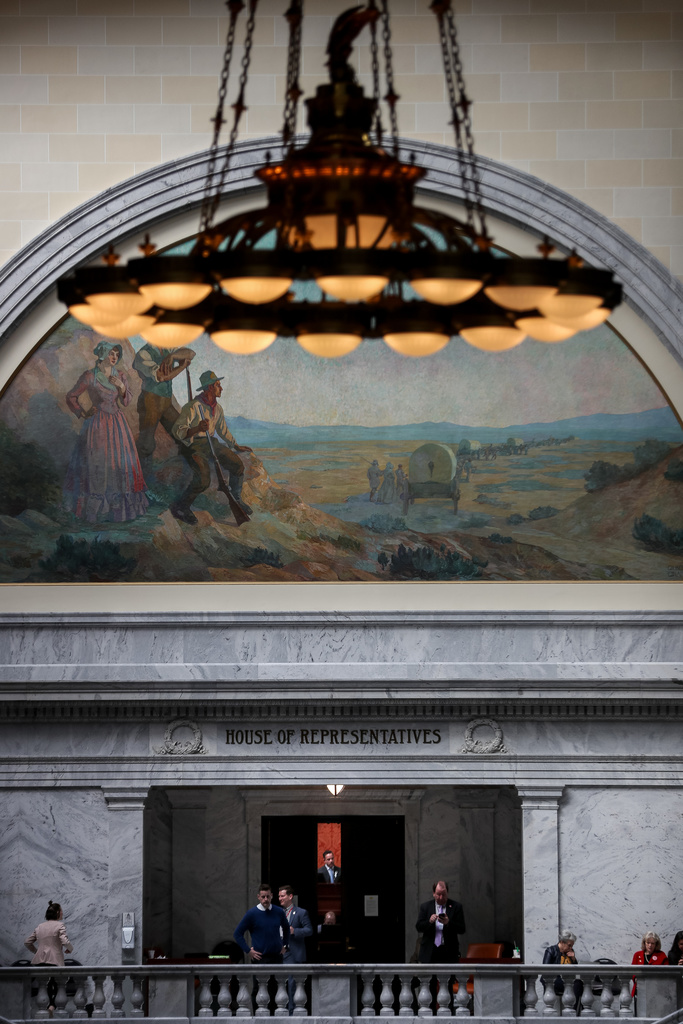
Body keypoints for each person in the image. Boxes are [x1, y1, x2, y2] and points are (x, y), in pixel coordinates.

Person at [64, 340, 148, 522]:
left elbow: (126, 402)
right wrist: (82, 412)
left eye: (117, 355)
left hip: (117, 424)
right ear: (103, 354)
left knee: (120, 464)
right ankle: (94, 512)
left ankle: (118, 511)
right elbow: (71, 396)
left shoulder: (120, 375)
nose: (114, 357)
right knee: (97, 464)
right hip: (97, 425)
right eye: (111, 353)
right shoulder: (90, 376)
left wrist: (121, 387)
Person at [171, 369, 253, 525]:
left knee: (237, 465)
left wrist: (235, 445)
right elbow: (177, 431)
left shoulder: (218, 408)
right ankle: (181, 506)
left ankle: (236, 499)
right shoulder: (193, 406)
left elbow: (223, 430)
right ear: (209, 387)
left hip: (211, 443)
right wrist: (196, 429)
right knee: (203, 480)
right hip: (194, 445)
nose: (221, 388)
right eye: (218, 385)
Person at [132, 343, 194, 485]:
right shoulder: (143, 354)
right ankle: (144, 483)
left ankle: (184, 476)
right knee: (146, 444)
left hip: (166, 403)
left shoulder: (168, 349)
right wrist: (182, 367)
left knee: (182, 434)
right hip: (150, 402)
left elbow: (190, 353)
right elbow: (161, 377)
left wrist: (173, 356)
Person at [25, 900, 73, 1013]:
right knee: (57, 985)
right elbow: (65, 941)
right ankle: (51, 1006)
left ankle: (47, 1008)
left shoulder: (40, 926)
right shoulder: (60, 925)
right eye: (61, 910)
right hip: (55, 959)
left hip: (40, 960)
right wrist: (70, 949)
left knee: (45, 985)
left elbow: (27, 942)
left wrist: (36, 951)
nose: (62, 912)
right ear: (57, 912)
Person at [234, 884, 289, 965]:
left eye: (268, 896)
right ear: (258, 897)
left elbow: (286, 928)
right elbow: (237, 934)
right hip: (259, 958)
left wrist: (285, 945)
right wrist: (248, 951)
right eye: (263, 897)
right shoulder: (251, 914)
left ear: (271, 896)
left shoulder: (279, 911)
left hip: (277, 957)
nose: (265, 899)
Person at [279, 884, 312, 1013]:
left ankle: (291, 1012)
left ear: (290, 896)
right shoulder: (277, 913)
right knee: (279, 983)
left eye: (282, 896)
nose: (280, 898)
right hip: (279, 953)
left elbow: (309, 930)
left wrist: (295, 931)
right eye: (279, 896)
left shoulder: (301, 912)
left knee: (292, 984)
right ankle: (280, 1011)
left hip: (293, 953)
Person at [415, 879, 466, 963]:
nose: (441, 897)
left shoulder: (456, 906)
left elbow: (462, 929)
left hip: (449, 951)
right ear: (433, 893)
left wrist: (448, 923)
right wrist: (429, 922)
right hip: (429, 951)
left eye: (444, 894)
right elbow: (419, 927)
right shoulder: (425, 907)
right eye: (438, 894)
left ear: (447, 893)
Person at [542, 930, 583, 1011]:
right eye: (569, 945)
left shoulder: (570, 952)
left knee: (580, 984)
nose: (570, 948)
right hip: (555, 980)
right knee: (576, 984)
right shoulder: (551, 951)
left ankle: (575, 1011)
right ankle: (573, 1011)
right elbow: (545, 970)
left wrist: (573, 959)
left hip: (568, 979)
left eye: (572, 946)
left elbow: (576, 970)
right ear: (562, 942)